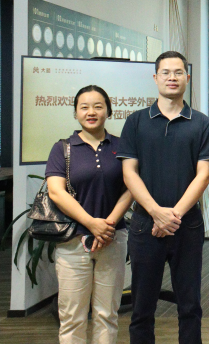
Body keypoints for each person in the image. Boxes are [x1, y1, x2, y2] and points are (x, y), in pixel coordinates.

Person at [118, 51, 209, 344]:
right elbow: (129, 174)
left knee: (190, 305)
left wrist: (173, 216)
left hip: (187, 225)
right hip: (144, 225)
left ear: (187, 77)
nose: (172, 78)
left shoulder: (201, 123)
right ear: (155, 78)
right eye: (166, 72)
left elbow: (203, 176)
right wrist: (156, 212)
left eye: (178, 72)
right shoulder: (136, 122)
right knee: (142, 307)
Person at [46, 85, 133, 344]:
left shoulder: (122, 146)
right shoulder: (62, 148)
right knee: (72, 317)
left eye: (98, 106)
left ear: (109, 111)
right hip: (73, 242)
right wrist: (91, 223)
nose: (91, 112)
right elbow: (56, 192)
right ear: (76, 113)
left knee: (107, 315)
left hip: (112, 240)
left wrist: (108, 224)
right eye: (84, 107)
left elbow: (131, 188)